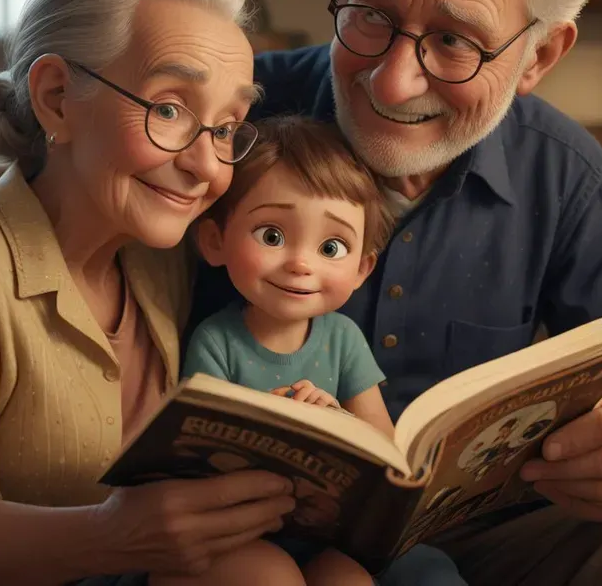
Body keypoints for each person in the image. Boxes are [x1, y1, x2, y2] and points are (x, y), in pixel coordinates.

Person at [189, 0, 602, 585]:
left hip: (465, 532)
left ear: (539, 56)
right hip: (238, 522)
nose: (393, 78)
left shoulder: (563, 172)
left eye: (454, 40)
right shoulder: (238, 114)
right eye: (371, 13)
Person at [0, 0, 299, 586]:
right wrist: (112, 536)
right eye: (170, 109)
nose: (207, 165)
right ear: (56, 98)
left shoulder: (171, 257)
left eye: (228, 127)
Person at [181, 115, 466, 585]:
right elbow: (200, 458)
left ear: (361, 268)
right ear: (215, 241)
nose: (299, 263)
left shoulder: (342, 339)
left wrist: (338, 424)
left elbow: (384, 450)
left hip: (334, 532)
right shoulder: (216, 341)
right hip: (248, 531)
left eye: (331, 247)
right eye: (271, 236)